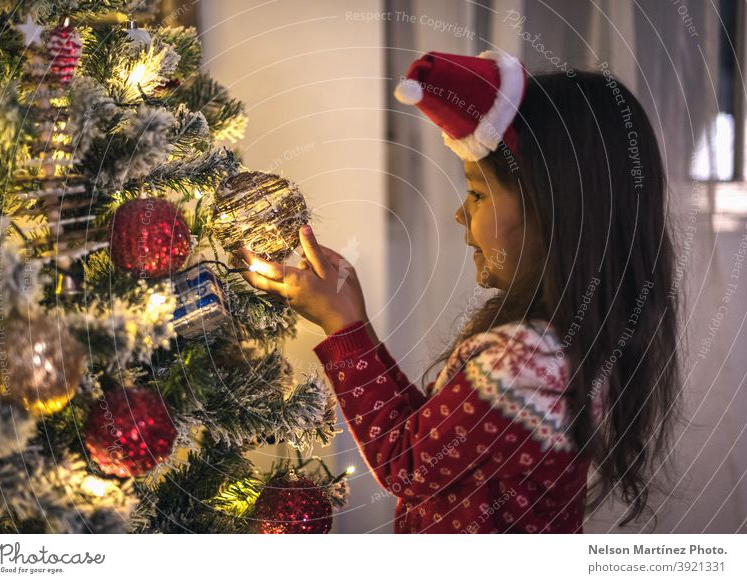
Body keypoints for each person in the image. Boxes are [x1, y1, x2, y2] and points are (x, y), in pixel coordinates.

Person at [233, 50, 681, 533]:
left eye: (479, 194)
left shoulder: (526, 362)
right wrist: (351, 324)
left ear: (554, 211)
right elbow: (425, 435)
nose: (461, 214)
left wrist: (343, 329)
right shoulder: (555, 347)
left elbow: (405, 462)